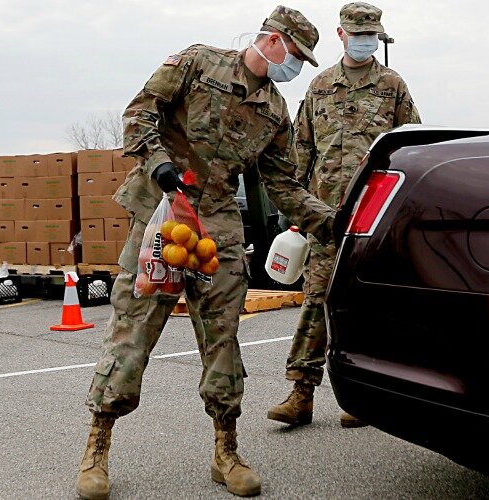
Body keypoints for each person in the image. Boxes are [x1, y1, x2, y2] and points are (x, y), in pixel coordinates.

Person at [76, 6, 335, 499]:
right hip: (162, 213)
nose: (296, 66)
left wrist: (331, 222)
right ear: (275, 41)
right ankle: (97, 448)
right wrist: (158, 166)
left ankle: (226, 451)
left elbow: (284, 185)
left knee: (223, 339)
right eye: (297, 55)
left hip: (218, 227)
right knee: (134, 329)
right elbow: (139, 111)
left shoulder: (276, 112)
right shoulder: (198, 62)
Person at [267, 1, 421, 429]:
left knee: (367, 303)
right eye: (357, 32)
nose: (364, 39)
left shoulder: (392, 86)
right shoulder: (319, 86)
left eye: (371, 32)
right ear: (341, 34)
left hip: (374, 219)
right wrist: (293, 208)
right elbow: (302, 150)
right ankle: (300, 394)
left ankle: (362, 396)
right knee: (316, 301)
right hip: (324, 216)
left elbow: (411, 149)